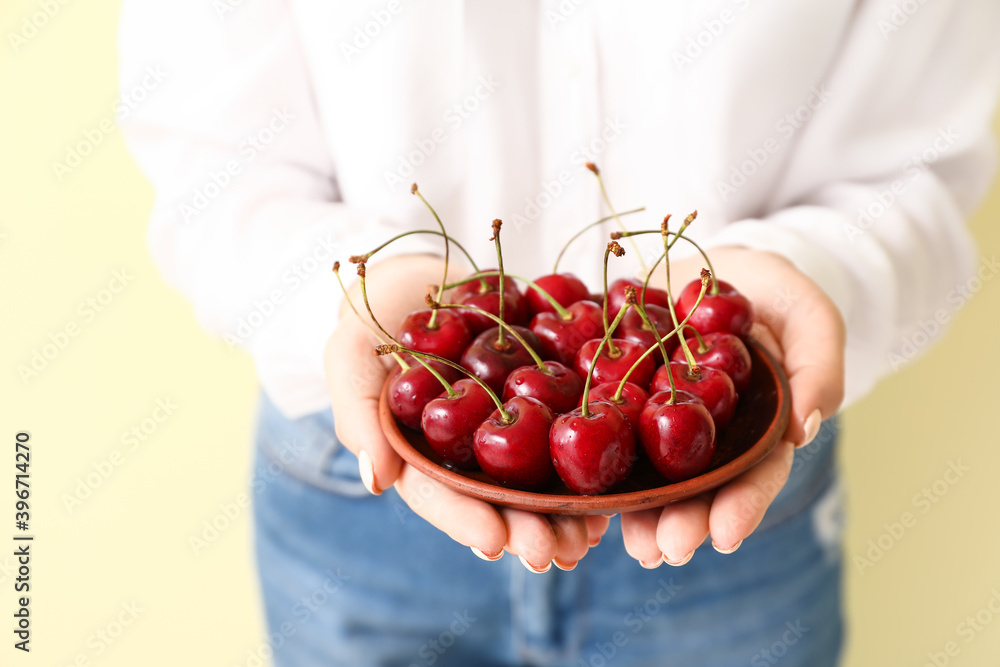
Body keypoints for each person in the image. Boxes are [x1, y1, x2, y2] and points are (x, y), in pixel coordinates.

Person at [119, 1, 1000, 664]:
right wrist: (352, 307)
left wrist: (810, 270)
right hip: (361, 496)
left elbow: (920, 161)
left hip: (739, 495)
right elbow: (204, 146)